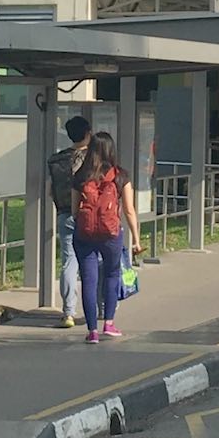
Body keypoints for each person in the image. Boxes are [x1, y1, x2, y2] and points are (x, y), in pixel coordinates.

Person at [71, 131, 142, 345]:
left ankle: (92, 331)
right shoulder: (120, 176)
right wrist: (136, 239)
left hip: (85, 235)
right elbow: (129, 210)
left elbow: (74, 211)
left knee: (89, 281)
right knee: (111, 275)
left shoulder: (81, 176)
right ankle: (109, 324)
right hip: (111, 235)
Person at [47, 115, 91, 328]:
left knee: (69, 261)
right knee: (94, 260)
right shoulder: (93, 158)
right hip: (89, 214)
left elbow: (50, 190)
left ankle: (68, 312)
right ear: (88, 133)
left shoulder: (57, 160)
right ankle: (98, 308)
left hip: (65, 214)